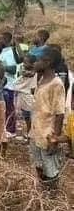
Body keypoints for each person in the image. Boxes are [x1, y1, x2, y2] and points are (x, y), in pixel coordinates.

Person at [29, 46, 67, 190]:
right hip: (36, 132)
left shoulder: (56, 84)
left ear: (48, 62)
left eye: (38, 60)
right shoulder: (42, 79)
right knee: (39, 166)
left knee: (50, 170)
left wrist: (54, 139)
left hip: (47, 134)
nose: (34, 63)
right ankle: (43, 195)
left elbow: (59, 113)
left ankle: (51, 200)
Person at [0, 32, 23, 139]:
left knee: (9, 107)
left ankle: (11, 129)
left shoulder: (9, 52)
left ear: (6, 40)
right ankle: (6, 127)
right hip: (3, 84)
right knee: (5, 108)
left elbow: (13, 69)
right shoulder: (3, 51)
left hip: (8, 84)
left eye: (0, 39)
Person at [9, 54, 37, 140]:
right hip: (23, 95)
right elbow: (23, 73)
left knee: (31, 116)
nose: (24, 64)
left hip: (29, 96)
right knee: (26, 116)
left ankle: (32, 134)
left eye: (26, 62)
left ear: (33, 64)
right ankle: (29, 132)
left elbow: (31, 74)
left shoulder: (35, 72)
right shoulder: (23, 70)